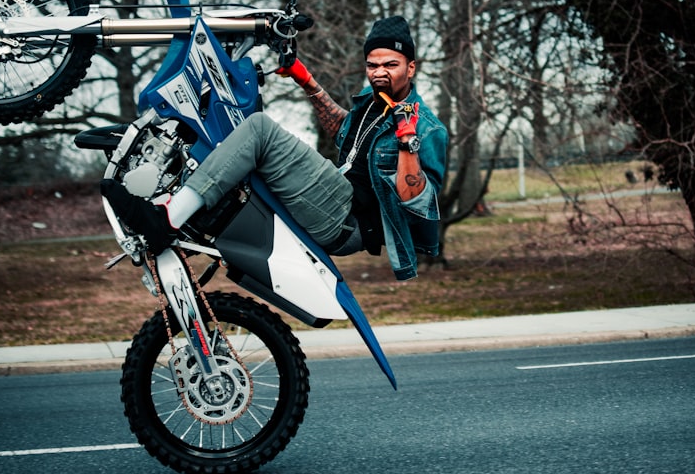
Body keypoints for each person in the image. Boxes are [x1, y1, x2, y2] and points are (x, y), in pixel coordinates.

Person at [102, 16, 448, 281]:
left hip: (348, 219)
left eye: (391, 65)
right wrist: (303, 77)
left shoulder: (426, 127)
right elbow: (345, 132)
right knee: (237, 141)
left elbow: (416, 203)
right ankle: (185, 213)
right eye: (373, 65)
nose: (379, 73)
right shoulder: (374, 105)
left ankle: (167, 221)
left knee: (260, 130)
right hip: (335, 202)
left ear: (411, 67)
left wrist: (408, 142)